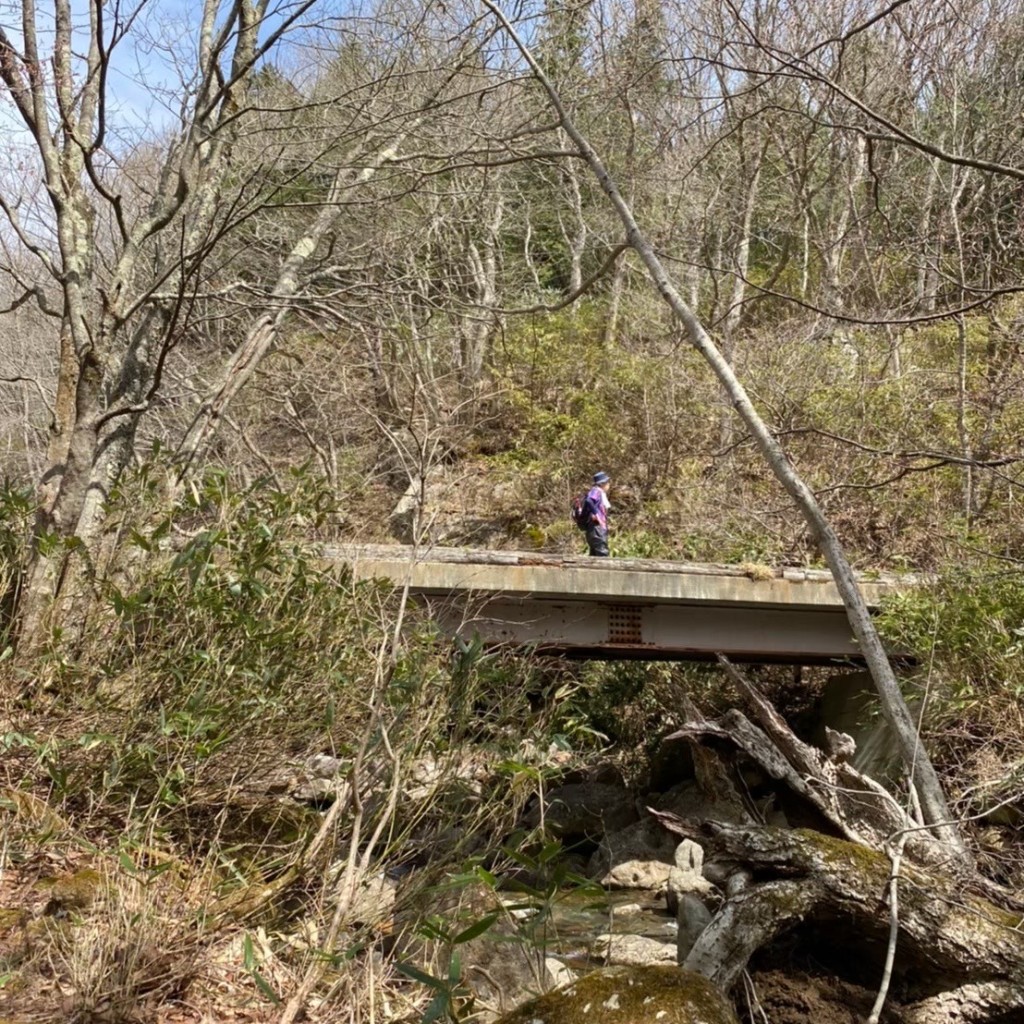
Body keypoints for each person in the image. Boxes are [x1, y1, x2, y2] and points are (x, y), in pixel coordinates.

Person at [585, 471, 611, 556]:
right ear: (602, 484)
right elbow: (589, 500)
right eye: (607, 482)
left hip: (595, 528)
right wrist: (596, 514)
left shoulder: (599, 492)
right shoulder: (596, 491)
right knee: (602, 553)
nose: (608, 485)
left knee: (594, 555)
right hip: (597, 528)